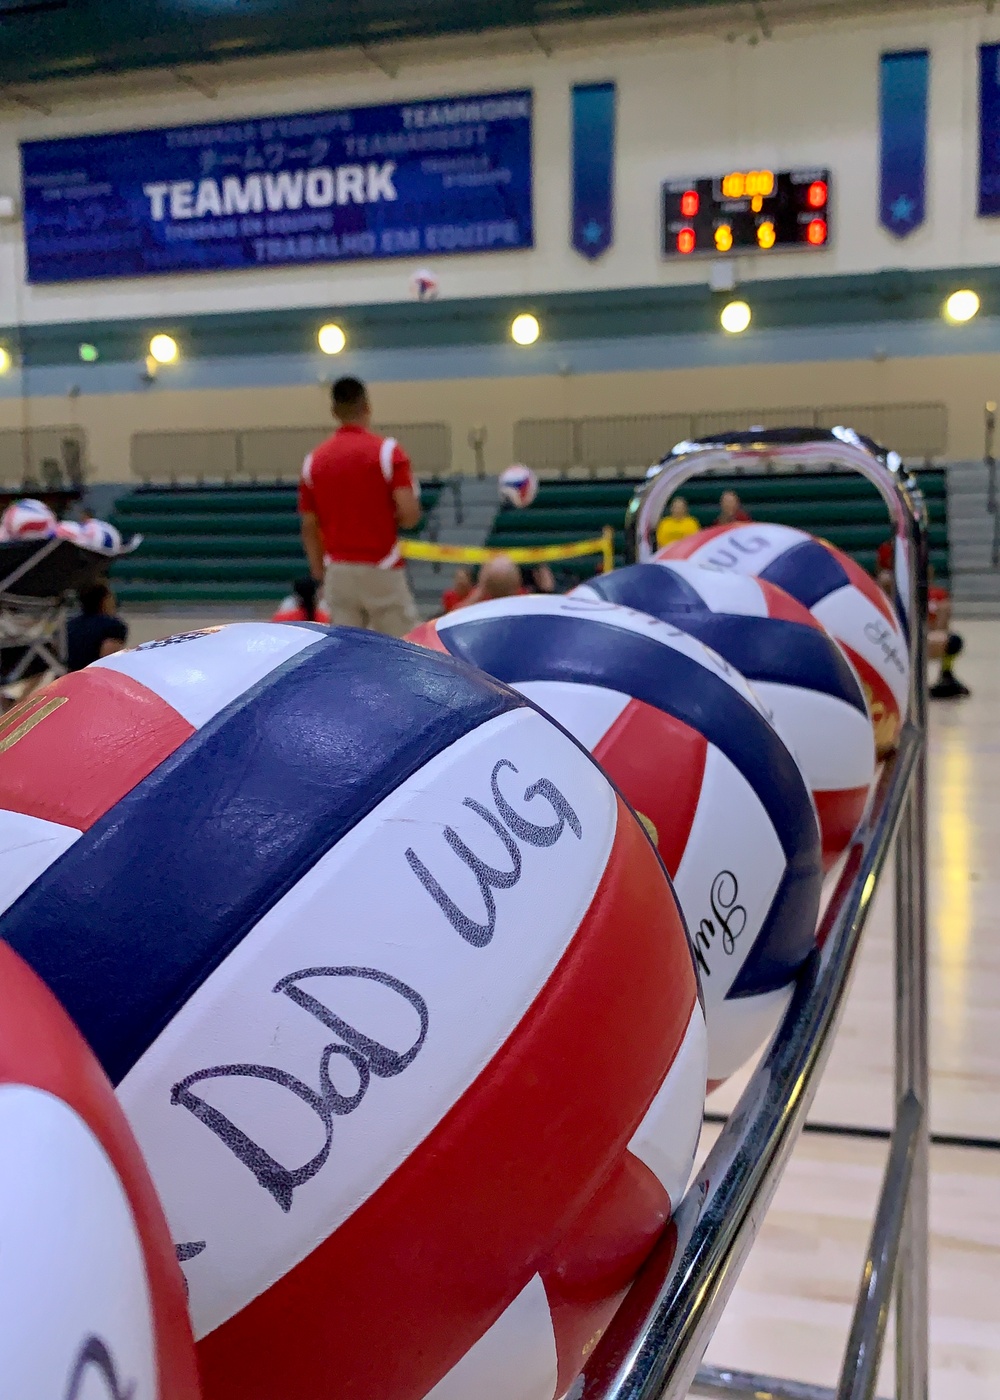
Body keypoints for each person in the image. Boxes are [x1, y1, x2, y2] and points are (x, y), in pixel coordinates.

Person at [298, 376, 421, 636]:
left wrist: (319, 572)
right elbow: (409, 515)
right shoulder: (388, 452)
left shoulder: (313, 461)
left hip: (338, 571)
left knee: (346, 655)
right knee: (404, 651)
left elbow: (309, 525)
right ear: (367, 406)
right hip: (382, 567)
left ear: (334, 412)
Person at [67, 581, 128, 670]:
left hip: (70, 675)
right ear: (104, 600)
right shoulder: (113, 626)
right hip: (93, 676)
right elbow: (107, 658)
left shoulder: (69, 625)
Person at [456, 554, 524, 607]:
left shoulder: (476, 611)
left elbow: (452, 618)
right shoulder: (527, 604)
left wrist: (480, 590)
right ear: (518, 581)